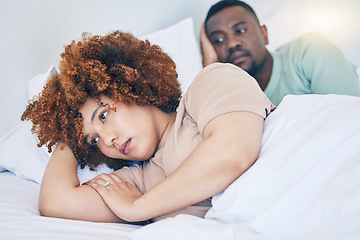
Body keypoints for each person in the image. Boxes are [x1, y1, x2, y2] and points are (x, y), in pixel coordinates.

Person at [21, 31, 275, 223]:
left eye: (103, 116)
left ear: (130, 87)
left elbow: (232, 153)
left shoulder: (209, 84)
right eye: (94, 141)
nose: (107, 140)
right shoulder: (137, 182)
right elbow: (57, 203)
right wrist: (68, 134)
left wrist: (137, 208)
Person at [200, 0, 360, 105]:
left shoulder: (310, 50)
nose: (232, 43)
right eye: (219, 40)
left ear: (264, 34)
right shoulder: (233, 98)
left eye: (240, 30)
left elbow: (349, 116)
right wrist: (211, 70)